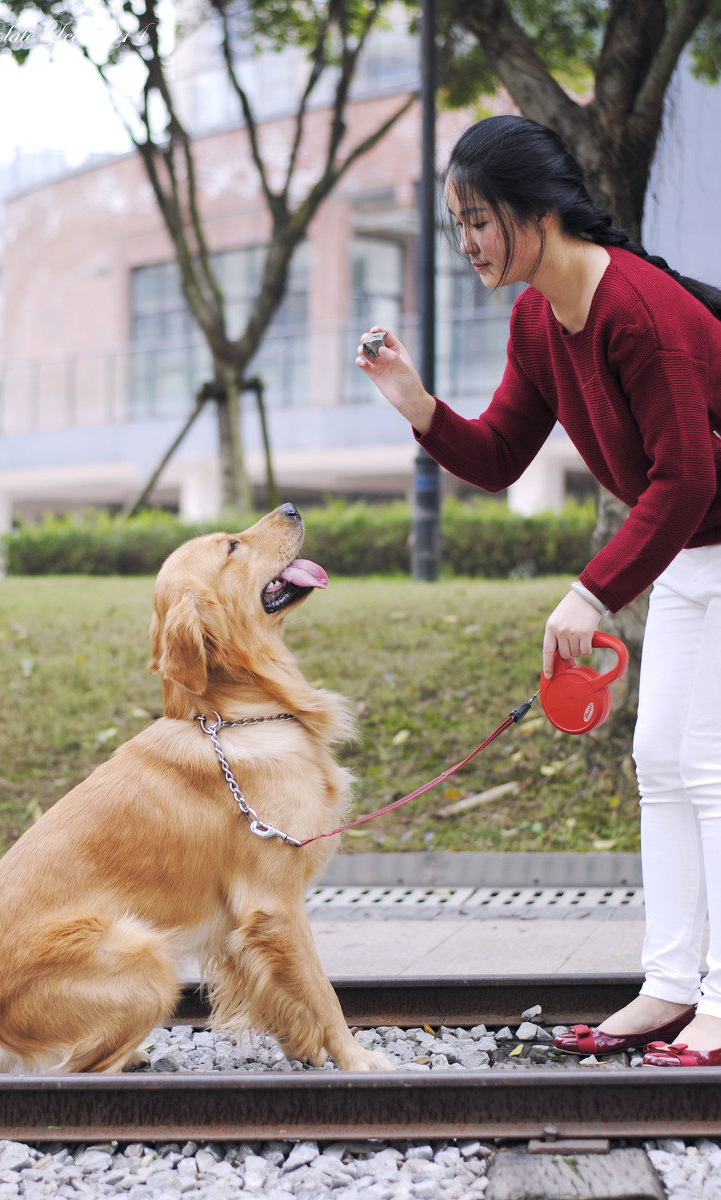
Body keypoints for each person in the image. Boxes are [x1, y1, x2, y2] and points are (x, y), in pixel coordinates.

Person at [356, 114, 721, 1067]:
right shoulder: (537, 318)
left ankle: (719, 1004)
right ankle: (670, 986)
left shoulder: (634, 312)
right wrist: (414, 401)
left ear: (536, 212)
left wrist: (588, 595)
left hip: (715, 535)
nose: (467, 242)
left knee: (711, 770)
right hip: (696, 555)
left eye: (478, 219)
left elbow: (686, 477)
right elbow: (501, 455)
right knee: (662, 762)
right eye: (456, 223)